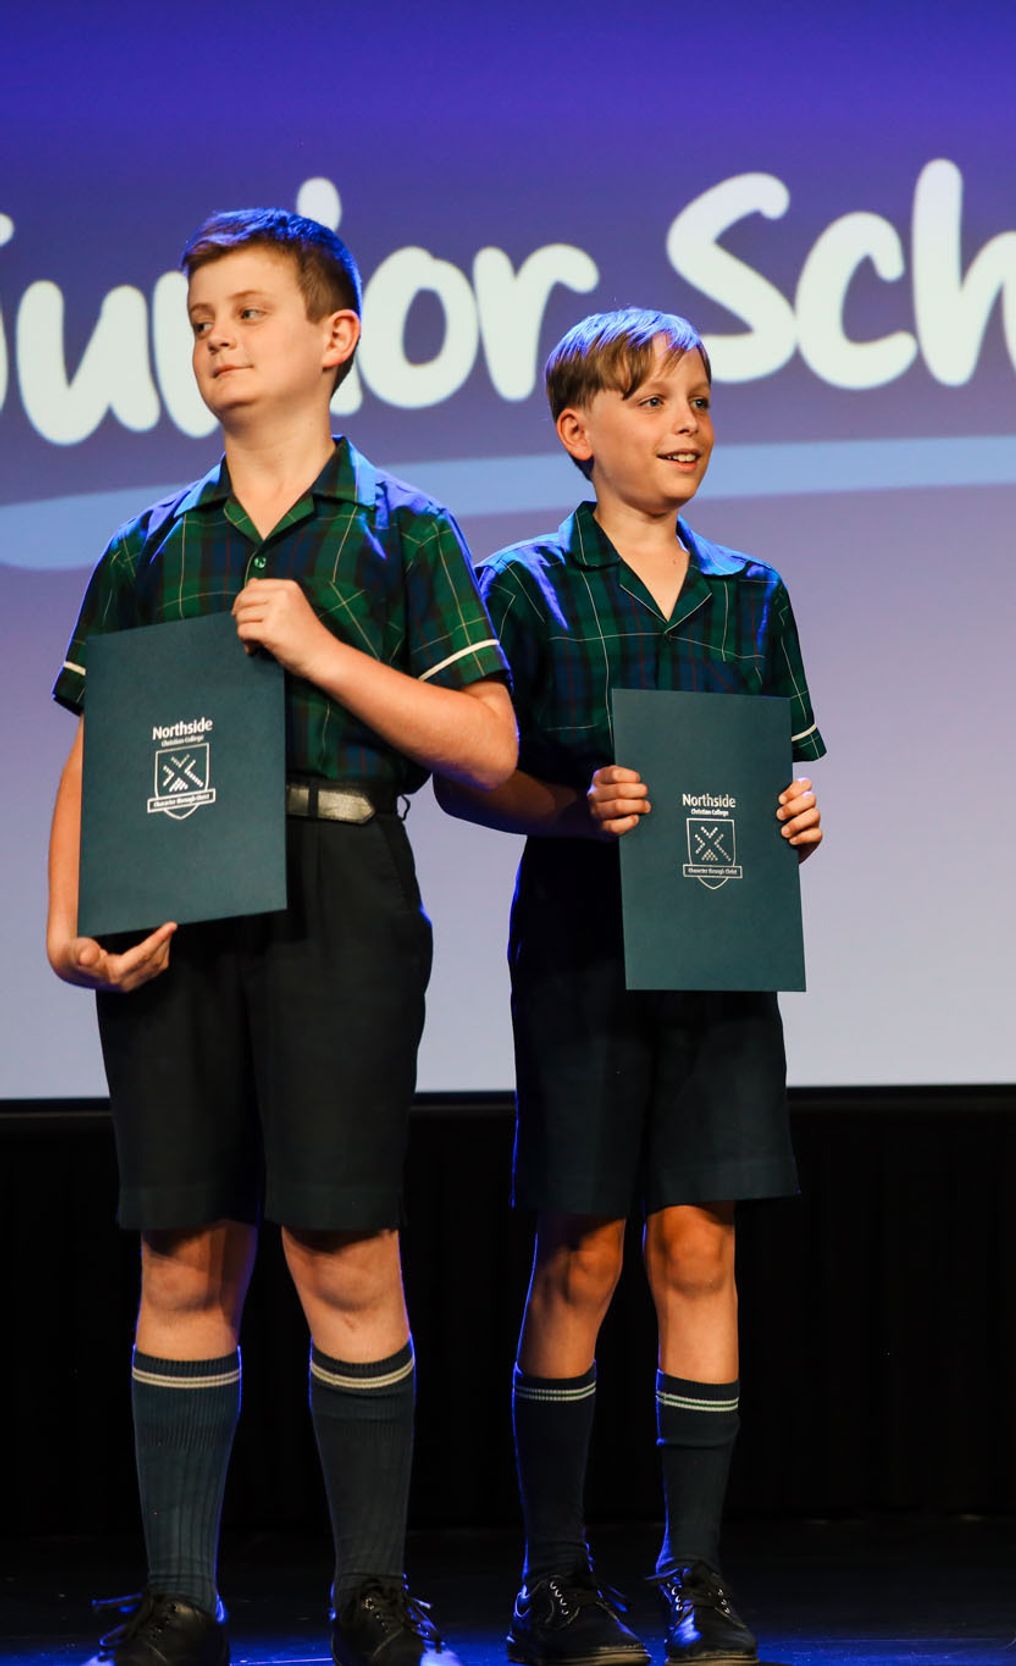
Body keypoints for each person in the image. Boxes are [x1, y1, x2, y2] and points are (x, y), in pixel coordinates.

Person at [45, 208, 516, 1666]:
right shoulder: (149, 544)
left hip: (338, 885)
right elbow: (96, 751)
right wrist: (65, 922)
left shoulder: (404, 530)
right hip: (175, 897)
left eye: (248, 311)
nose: (217, 340)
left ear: (334, 337)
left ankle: (371, 1591)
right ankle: (179, 1597)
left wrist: (321, 649)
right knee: (182, 1247)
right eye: (199, 321)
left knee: (342, 1243)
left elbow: (488, 742)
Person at [436, 309, 826, 1666]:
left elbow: (769, 773)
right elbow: (466, 779)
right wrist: (570, 807)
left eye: (701, 400)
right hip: (584, 953)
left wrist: (791, 819)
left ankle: (694, 1568)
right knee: (585, 1244)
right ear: (577, 430)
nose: (686, 423)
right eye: (654, 399)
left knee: (701, 1244)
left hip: (719, 957)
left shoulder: (752, 591)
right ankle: (552, 1578)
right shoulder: (523, 586)